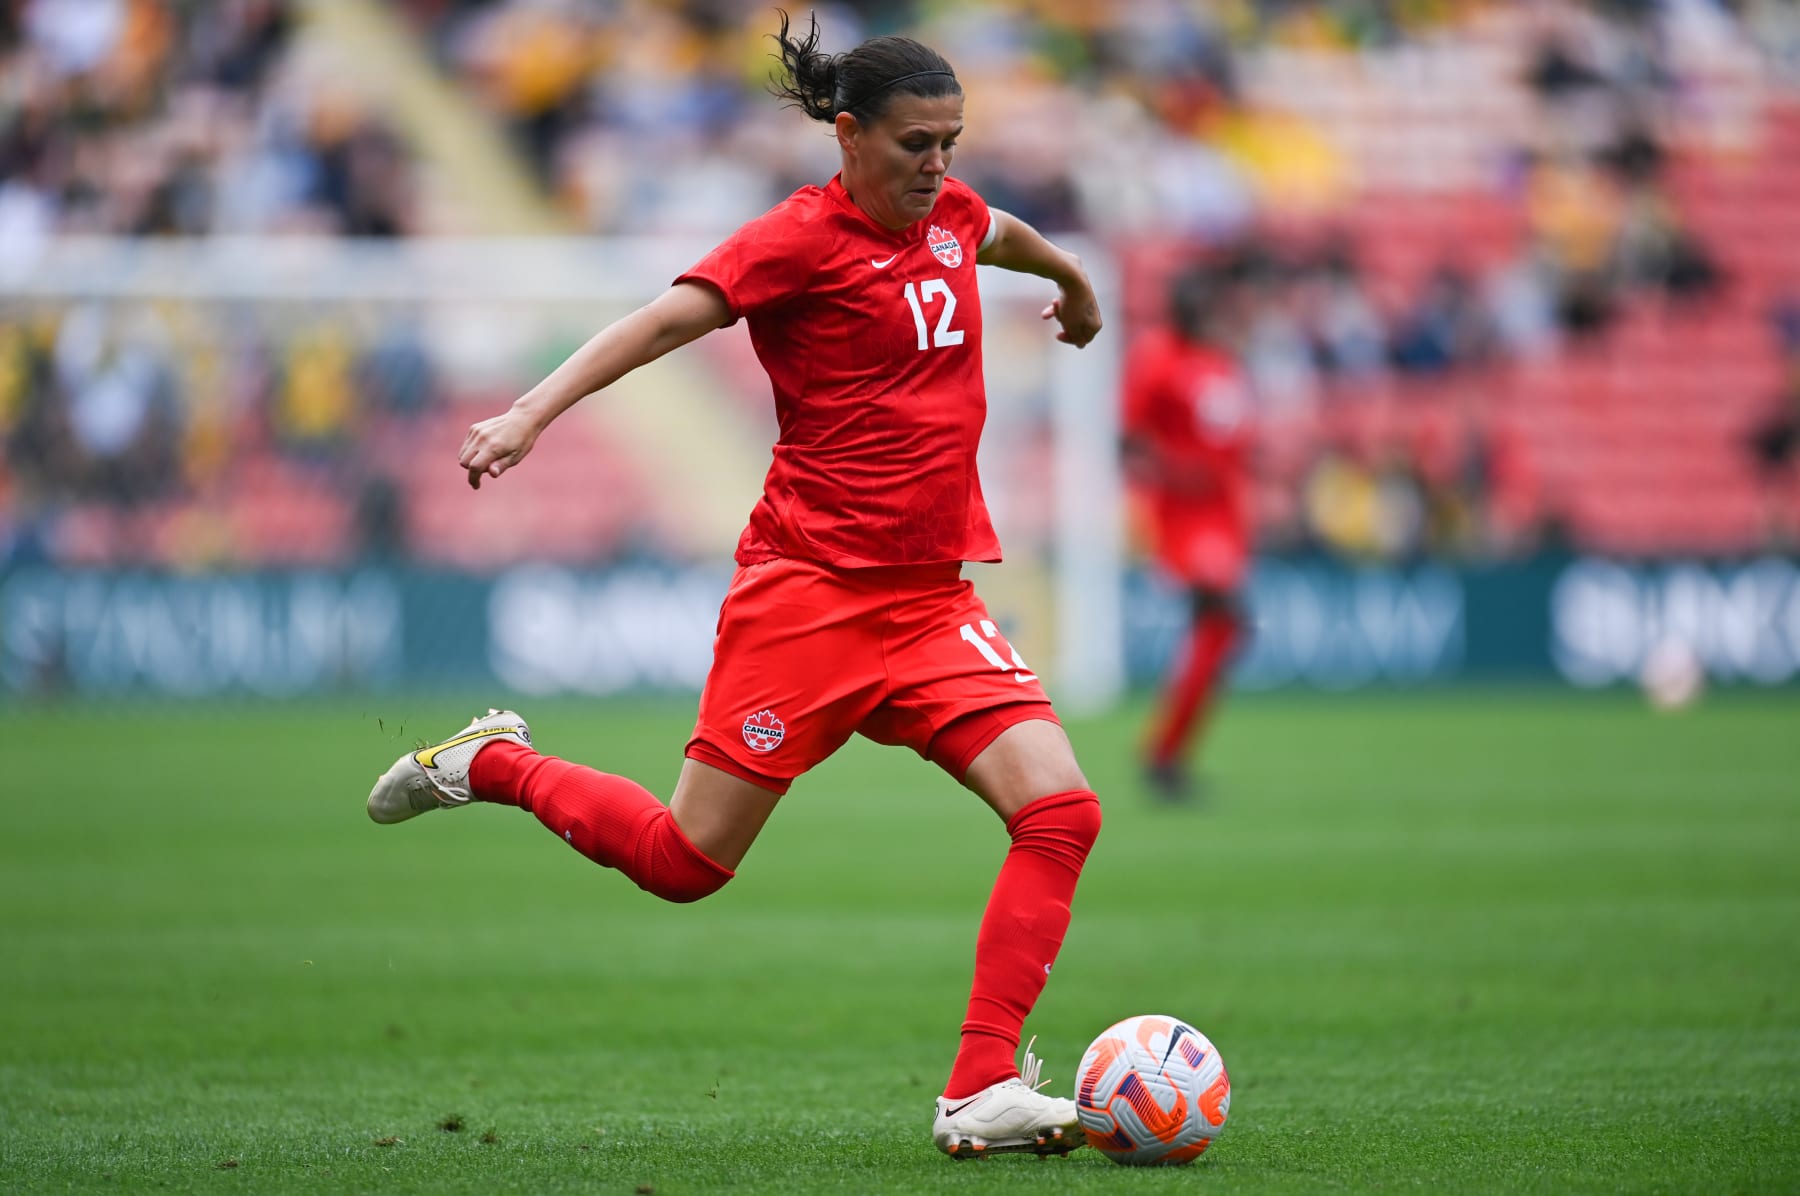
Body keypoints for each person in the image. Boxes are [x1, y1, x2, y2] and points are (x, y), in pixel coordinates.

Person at [365, 13, 1104, 1161]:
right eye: (917, 142)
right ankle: (490, 763)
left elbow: (1000, 233)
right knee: (684, 863)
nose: (940, 163)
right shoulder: (796, 240)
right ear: (849, 135)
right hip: (808, 593)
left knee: (1061, 808)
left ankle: (979, 1084)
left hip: (931, 600)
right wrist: (526, 414)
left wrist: (1073, 282)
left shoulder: (950, 214)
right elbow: (662, 319)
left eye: (953, 140)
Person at [1120, 262, 1256, 801]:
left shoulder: (1221, 362)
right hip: (1185, 516)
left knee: (1222, 627)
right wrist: (1177, 471)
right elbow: (1130, 442)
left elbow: (1233, 439)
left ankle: (1167, 752)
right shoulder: (1158, 359)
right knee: (1223, 613)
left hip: (1225, 513)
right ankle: (1164, 755)